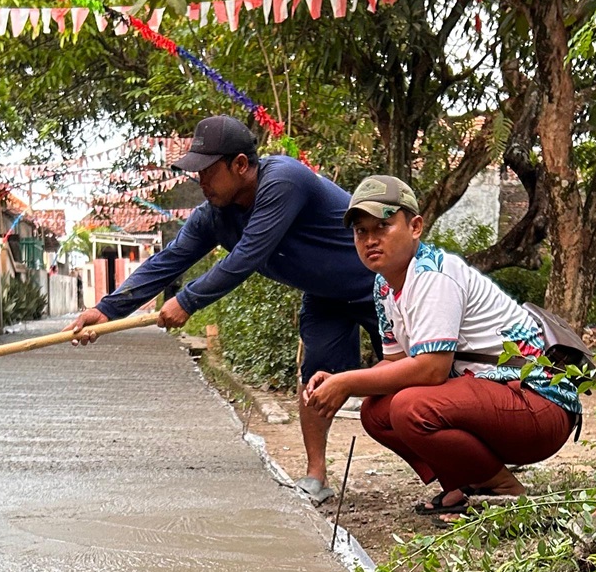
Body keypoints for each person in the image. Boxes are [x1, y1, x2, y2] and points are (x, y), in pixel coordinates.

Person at [70, 116, 380, 502]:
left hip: (378, 286)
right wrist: (106, 310)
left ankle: (461, 479)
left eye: (207, 172)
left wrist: (187, 300)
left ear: (240, 164)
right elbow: (170, 260)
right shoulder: (214, 216)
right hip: (324, 296)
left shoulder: (283, 180)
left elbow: (248, 255)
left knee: (411, 379)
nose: (201, 183)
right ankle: (316, 476)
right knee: (315, 377)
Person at [303, 175, 581, 514]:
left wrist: (347, 382)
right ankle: (463, 482)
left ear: (415, 226)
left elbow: (431, 370)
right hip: (495, 398)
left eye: (384, 226)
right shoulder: (385, 286)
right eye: (362, 231)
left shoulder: (434, 275)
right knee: (375, 413)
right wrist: (339, 381)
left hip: (540, 405)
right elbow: (396, 362)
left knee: (410, 407)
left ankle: (502, 487)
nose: (371, 240)